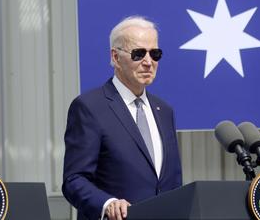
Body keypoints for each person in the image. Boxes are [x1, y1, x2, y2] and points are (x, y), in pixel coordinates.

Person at [62, 16, 182, 220]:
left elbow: (172, 183)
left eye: (155, 54)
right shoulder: (89, 107)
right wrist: (107, 204)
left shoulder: (165, 111)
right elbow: (74, 180)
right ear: (116, 58)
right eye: (138, 54)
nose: (148, 62)